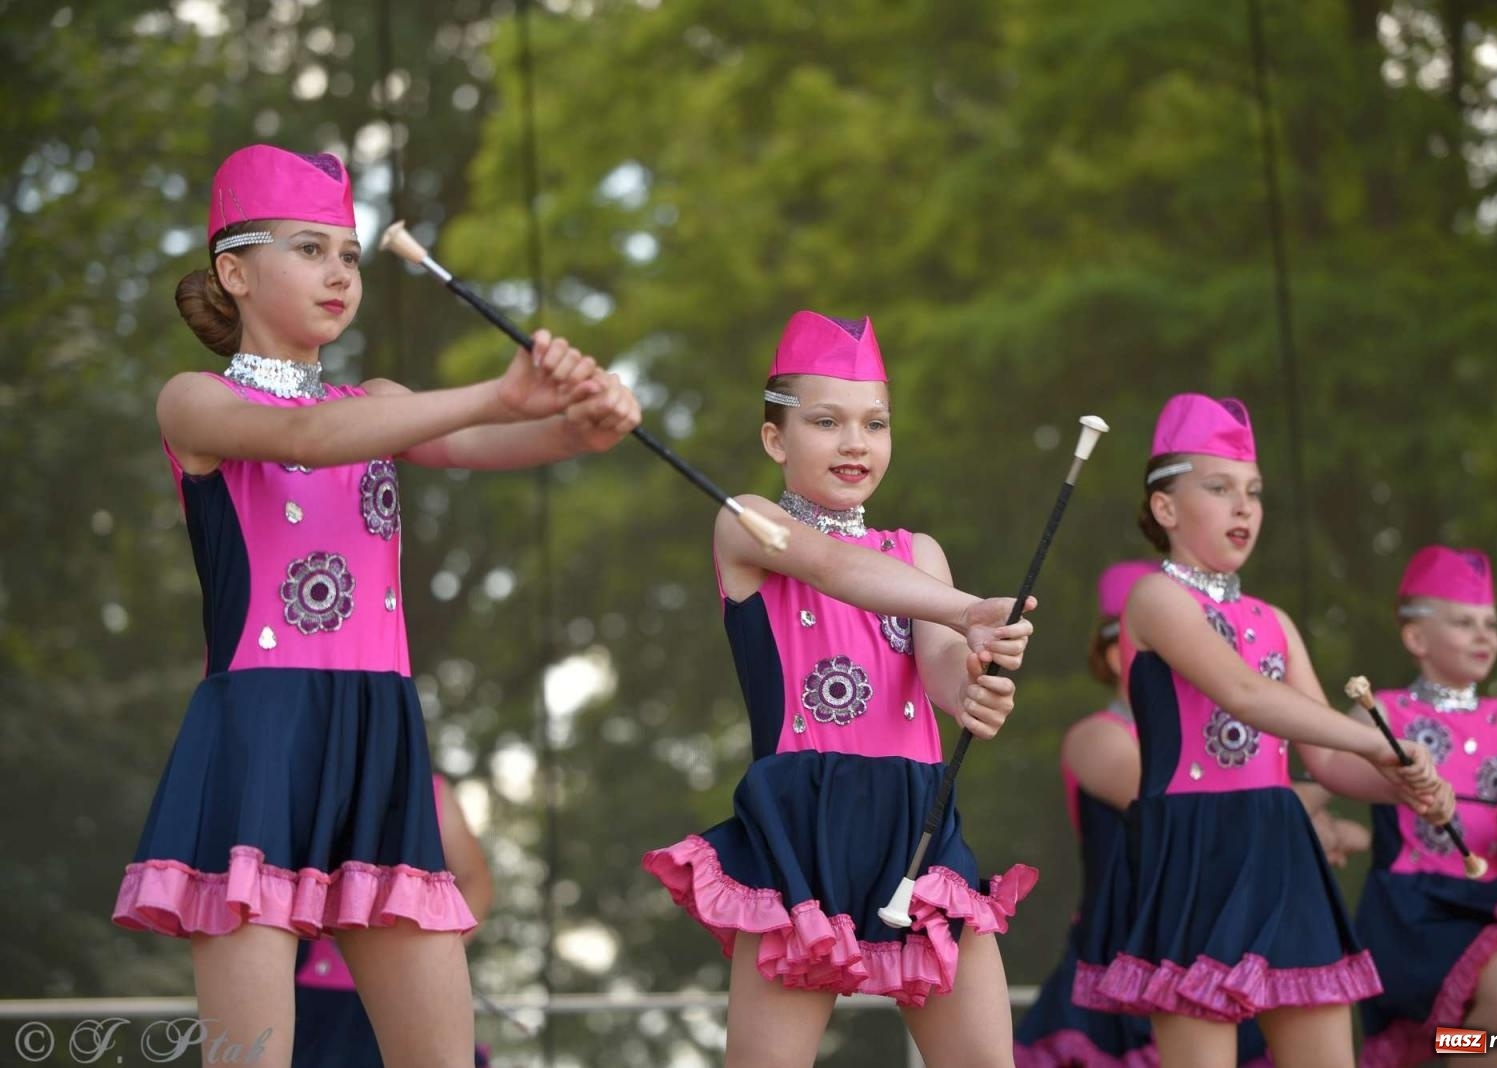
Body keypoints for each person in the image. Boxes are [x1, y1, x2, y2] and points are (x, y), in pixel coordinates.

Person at [113, 144, 639, 1068]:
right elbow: (307, 437)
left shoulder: (383, 403)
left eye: (349, 255)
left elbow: (474, 442)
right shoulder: (194, 401)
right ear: (233, 272)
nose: (339, 273)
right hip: (262, 735)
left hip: (380, 731)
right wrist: (503, 391)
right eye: (310, 249)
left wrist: (581, 426)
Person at [642, 311, 1038, 1068]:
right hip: (801, 826)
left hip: (917, 825)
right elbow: (830, 567)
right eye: (826, 421)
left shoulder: (917, 552)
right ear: (774, 439)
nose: (856, 442)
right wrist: (967, 611)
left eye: (875, 423)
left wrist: (977, 683)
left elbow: (943, 671)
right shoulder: (747, 523)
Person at [1072, 393, 1453, 1068]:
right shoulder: (1155, 599)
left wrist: (1405, 783)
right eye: (1219, 488)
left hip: (1281, 849)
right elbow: (1246, 694)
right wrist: (1378, 739)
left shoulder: (1273, 619)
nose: (1244, 506)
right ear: (1166, 509)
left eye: (1253, 491)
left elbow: (1328, 764)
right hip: (1195, 852)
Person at [1017, 559, 1353, 1067]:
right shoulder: (1099, 738)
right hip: (1132, 958)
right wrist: (1310, 808)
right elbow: (1203, 808)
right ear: (1117, 653)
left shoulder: (1230, 749)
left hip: (1218, 943)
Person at [1353, 546, 1497, 1067]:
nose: (1484, 635)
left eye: (1491, 623)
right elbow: (1317, 777)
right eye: (1463, 622)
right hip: (1408, 914)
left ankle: (1455, 1051)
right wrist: (1319, 824)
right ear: (1416, 638)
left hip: (1485, 911)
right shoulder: (1383, 713)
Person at [293, 774, 495, 1067]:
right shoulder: (310, 781)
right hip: (321, 993)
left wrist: (433, 957)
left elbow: (476, 882)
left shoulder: (428, 789)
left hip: (413, 988)